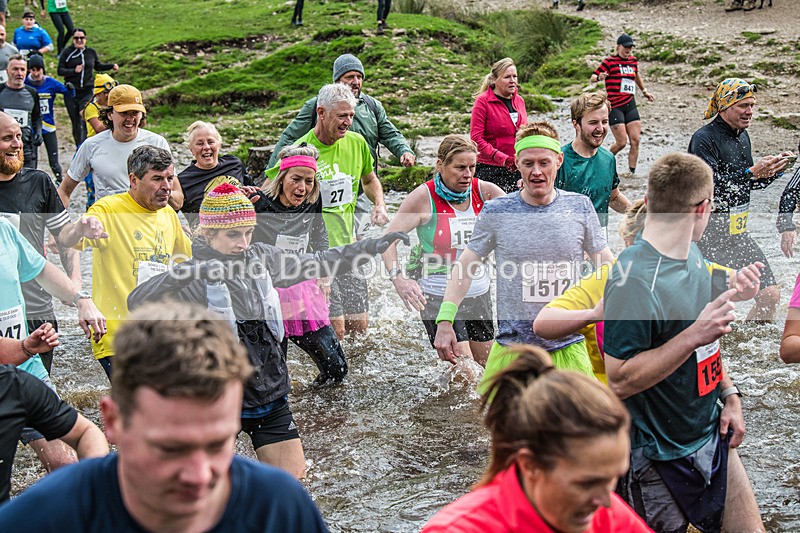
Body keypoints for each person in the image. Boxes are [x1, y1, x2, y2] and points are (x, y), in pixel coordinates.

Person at [128, 183, 408, 478]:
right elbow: (137, 301)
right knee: (211, 496)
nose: (243, 243)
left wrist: (368, 247)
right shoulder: (191, 276)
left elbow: (319, 261)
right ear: (208, 234)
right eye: (233, 235)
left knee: (295, 491)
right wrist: (188, 273)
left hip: (269, 395)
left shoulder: (261, 258)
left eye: (248, 232)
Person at [0, 303, 329, 532]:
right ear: (113, 421)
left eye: (218, 443)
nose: (199, 475)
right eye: (170, 448)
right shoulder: (48, 515)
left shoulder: (279, 507)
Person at [603, 152, 765, 532]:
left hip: (713, 429)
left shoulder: (690, 252)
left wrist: (730, 395)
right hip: (658, 454)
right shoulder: (631, 278)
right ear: (702, 208)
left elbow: (703, 339)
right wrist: (697, 332)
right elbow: (619, 378)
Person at [433, 122, 613, 392]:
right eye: (528, 163)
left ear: (559, 160)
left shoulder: (579, 207)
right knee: (504, 433)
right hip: (512, 351)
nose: (536, 171)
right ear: (517, 162)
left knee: (574, 431)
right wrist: (445, 320)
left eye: (544, 162)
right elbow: (466, 266)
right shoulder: (497, 211)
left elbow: (607, 266)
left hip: (569, 348)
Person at [421, 345, 651, 533]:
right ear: (529, 465)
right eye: (587, 483)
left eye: (612, 477)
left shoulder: (607, 518)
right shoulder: (460, 528)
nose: (606, 501)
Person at [266, 83, 390, 340]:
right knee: (337, 331)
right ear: (321, 112)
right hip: (316, 256)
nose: (347, 122)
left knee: (361, 330)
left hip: (349, 248)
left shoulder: (356, 143)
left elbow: (369, 179)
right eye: (341, 116)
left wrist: (379, 204)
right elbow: (272, 193)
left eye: (351, 116)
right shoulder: (299, 151)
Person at [58, 145, 191, 380]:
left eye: (170, 178)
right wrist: (81, 227)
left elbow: (190, 261)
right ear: (134, 180)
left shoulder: (168, 214)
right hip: (117, 336)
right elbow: (66, 239)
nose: (167, 187)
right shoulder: (109, 210)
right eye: (157, 179)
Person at [0, 214, 105, 485]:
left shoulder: (4, 231)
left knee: (64, 463)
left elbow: (42, 270)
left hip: (24, 367)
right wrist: (24, 346)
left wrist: (80, 299)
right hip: (17, 354)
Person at [381, 135, 504, 366]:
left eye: (472, 167)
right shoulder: (422, 198)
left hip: (478, 293)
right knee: (466, 373)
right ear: (440, 165)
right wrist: (399, 280)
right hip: (437, 295)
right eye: (460, 167)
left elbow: (519, 225)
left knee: (490, 369)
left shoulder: (486, 192)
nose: (467, 174)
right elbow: (387, 242)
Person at [269, 53, 414, 239]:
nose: (356, 81)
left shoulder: (372, 106)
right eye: (350, 77)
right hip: (317, 185)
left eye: (359, 77)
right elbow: (289, 137)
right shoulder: (316, 105)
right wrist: (271, 172)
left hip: (358, 187)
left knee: (356, 238)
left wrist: (404, 150)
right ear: (337, 81)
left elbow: (390, 132)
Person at [688, 78, 791, 322]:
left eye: (752, 106)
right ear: (724, 107)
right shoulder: (704, 139)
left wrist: (773, 171)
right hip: (708, 236)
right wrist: (751, 172)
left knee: (770, 295)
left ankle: (751, 344)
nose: (750, 111)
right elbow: (708, 186)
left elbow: (746, 184)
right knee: (711, 307)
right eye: (743, 105)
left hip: (738, 234)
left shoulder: (742, 137)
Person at [252, 144, 349, 385]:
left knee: (336, 369)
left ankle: (323, 416)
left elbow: (319, 236)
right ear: (282, 178)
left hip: (300, 290)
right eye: (296, 179)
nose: (302, 188)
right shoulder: (259, 203)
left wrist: (325, 276)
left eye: (308, 181)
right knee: (273, 376)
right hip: (266, 295)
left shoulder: (312, 201)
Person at [0, 111, 81, 374]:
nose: (17, 144)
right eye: (7, 138)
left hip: (37, 310)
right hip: (4, 306)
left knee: (38, 395)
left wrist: (75, 288)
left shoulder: (39, 182)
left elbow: (65, 237)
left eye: (18, 136)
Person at [533, 200, 647, 384]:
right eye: (647, 244)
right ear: (629, 242)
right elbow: (542, 323)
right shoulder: (608, 278)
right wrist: (593, 315)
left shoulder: (692, 273)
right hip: (608, 402)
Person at [57, 84, 182, 211]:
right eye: (124, 113)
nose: (130, 119)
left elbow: (178, 201)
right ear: (110, 114)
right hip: (109, 222)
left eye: (135, 113)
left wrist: (158, 190)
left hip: (147, 222)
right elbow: (64, 190)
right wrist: (59, 227)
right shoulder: (91, 145)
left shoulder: (157, 143)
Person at [0, 363, 108, 504]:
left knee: (65, 465)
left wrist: (94, 498)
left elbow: (86, 432)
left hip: (29, 376)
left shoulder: (12, 385)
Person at [556, 91, 631, 228]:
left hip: (599, 239)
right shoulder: (559, 160)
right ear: (576, 124)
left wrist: (638, 214)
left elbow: (613, 198)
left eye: (605, 122)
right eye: (593, 123)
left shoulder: (608, 159)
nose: (600, 129)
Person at [590, 33, 655, 175]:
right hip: (615, 106)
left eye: (630, 47)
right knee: (621, 142)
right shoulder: (609, 62)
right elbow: (593, 77)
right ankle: (599, 162)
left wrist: (644, 91)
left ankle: (631, 172)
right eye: (626, 47)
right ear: (618, 47)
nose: (628, 50)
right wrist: (599, 77)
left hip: (630, 104)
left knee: (635, 140)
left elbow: (636, 75)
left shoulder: (633, 61)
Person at [469, 57, 527, 193]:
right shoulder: (482, 101)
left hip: (517, 167)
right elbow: (476, 138)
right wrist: (503, 159)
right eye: (507, 77)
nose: (512, 80)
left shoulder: (520, 101)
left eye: (515, 76)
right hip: (490, 169)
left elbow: (525, 133)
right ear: (494, 80)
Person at [178, 120, 249, 227]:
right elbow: (167, 214)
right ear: (191, 149)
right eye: (199, 143)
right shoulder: (183, 181)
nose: (206, 147)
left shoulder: (234, 164)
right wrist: (180, 229)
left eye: (210, 142)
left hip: (241, 231)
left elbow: (253, 190)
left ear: (219, 144)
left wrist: (249, 195)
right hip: (205, 239)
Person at [57, 27, 118, 146]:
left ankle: (86, 142)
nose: (79, 40)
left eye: (82, 38)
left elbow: (97, 66)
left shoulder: (90, 52)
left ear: (85, 39)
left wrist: (111, 66)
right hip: (72, 92)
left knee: (84, 117)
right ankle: (79, 147)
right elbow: (60, 70)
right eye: (76, 38)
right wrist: (74, 71)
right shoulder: (67, 52)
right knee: (75, 121)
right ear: (73, 39)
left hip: (87, 91)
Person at [25, 53, 70, 184]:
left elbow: (67, 92)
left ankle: (59, 181)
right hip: (32, 126)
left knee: (54, 159)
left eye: (38, 69)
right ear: (29, 70)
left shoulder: (50, 82)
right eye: (33, 70)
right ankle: (29, 183)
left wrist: (70, 89)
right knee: (32, 158)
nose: (35, 73)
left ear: (42, 69)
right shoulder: (25, 83)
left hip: (49, 126)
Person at [0, 54, 41, 169]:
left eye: (22, 69)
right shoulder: (0, 91)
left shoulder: (32, 93)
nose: (19, 73)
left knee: (27, 182)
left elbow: (37, 117)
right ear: (7, 71)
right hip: (4, 147)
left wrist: (38, 132)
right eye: (15, 69)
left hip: (25, 146)